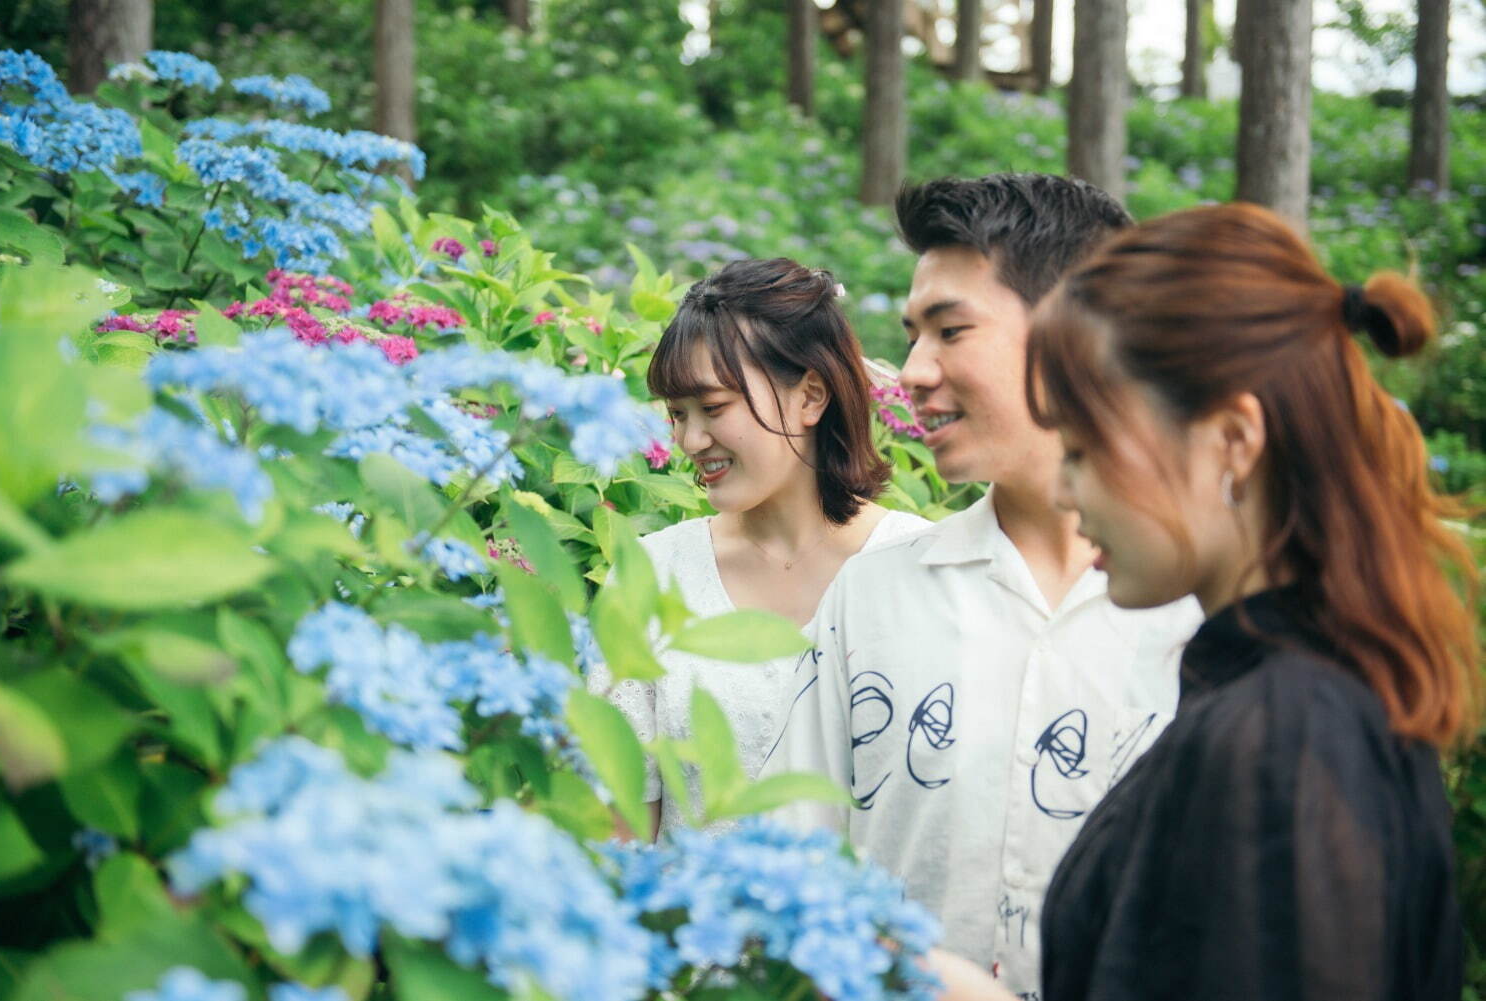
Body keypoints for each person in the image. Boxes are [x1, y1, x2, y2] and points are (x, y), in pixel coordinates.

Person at [1008, 202, 1476, 1000]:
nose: (1061, 489)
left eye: (1082, 450)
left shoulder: (1283, 739)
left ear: (1232, 439)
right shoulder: (1301, 691)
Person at [760, 174, 1202, 998]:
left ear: (1084, 333)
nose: (913, 370)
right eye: (912, 334)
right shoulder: (873, 598)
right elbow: (792, 860)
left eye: (951, 330)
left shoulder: (1205, 612)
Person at [591, 257, 930, 842]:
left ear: (811, 397)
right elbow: (620, 840)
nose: (690, 441)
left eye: (714, 408)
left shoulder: (919, 568)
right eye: (677, 414)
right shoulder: (652, 574)